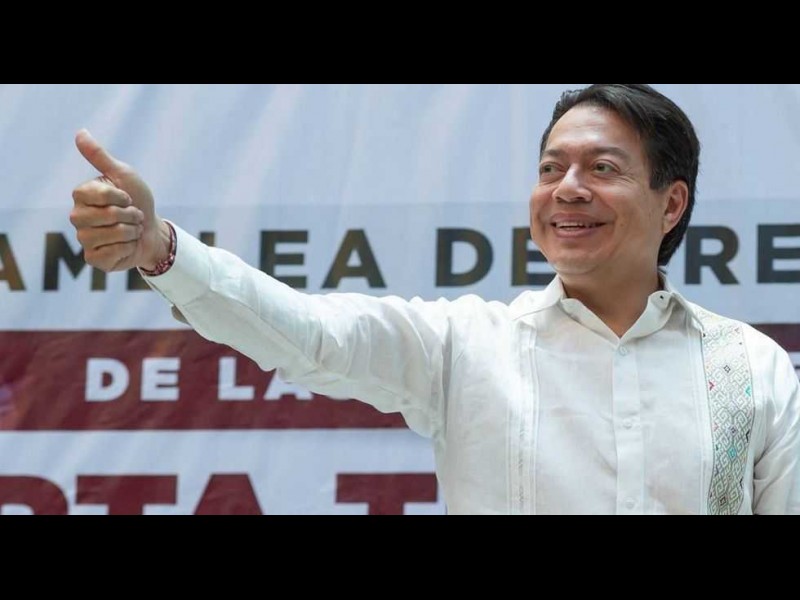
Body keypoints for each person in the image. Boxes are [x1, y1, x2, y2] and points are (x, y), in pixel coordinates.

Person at [69, 84, 800, 515]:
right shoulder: (468, 346)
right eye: (552, 168)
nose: (567, 189)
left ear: (671, 204)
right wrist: (161, 249)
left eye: (602, 168)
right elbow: (308, 335)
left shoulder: (750, 365)